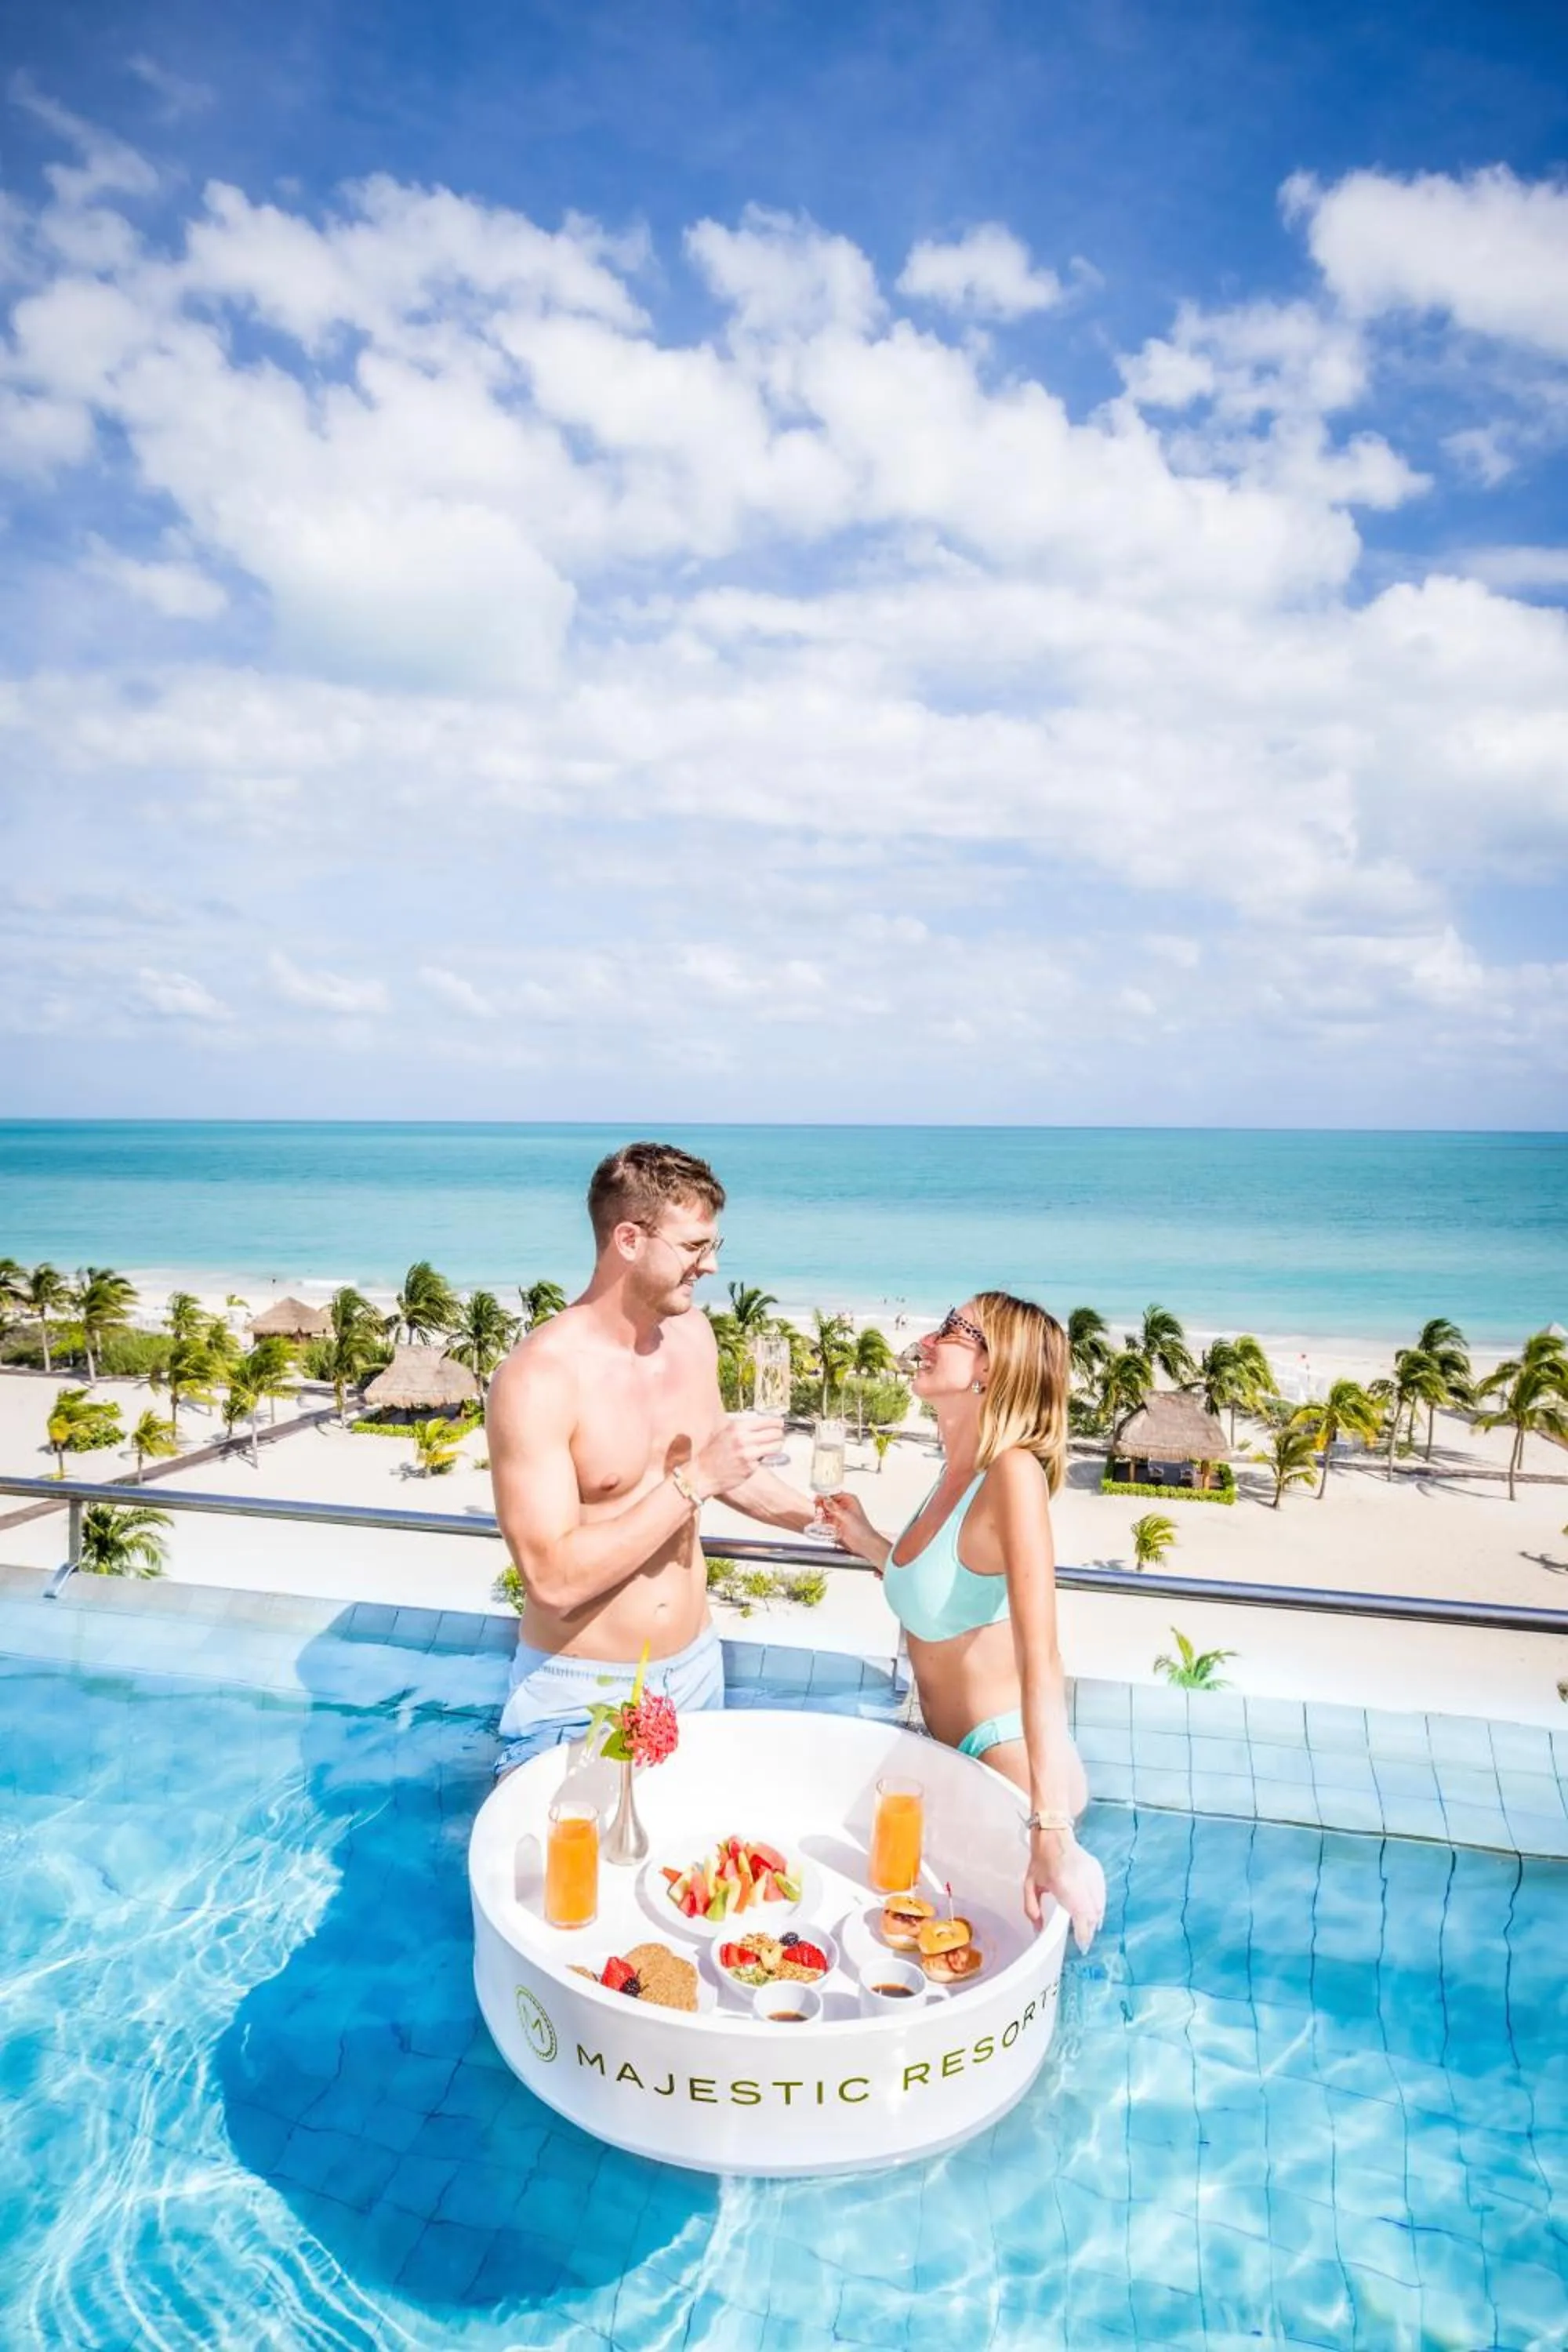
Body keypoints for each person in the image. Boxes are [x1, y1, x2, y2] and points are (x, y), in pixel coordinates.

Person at [487, 1141, 818, 1775]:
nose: (712, 1267)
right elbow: (552, 1580)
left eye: (714, 1246)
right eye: (695, 1247)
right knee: (575, 1875)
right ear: (630, 1239)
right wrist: (696, 1481)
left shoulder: (694, 1334)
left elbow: (726, 1470)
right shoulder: (538, 1378)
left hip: (697, 1673)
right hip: (583, 1692)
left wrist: (834, 1525)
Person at [819, 1291, 1106, 1951]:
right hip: (959, 1759)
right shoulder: (955, 1473)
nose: (925, 1339)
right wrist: (866, 1540)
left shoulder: (1012, 1473)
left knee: (974, 1968)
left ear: (991, 1366)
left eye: (951, 1329)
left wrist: (1051, 1828)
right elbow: (940, 1597)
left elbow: (1044, 1658)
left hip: (1016, 1773)